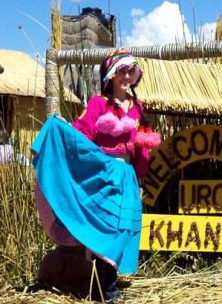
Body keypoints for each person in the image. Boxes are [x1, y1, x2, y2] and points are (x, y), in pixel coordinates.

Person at [32, 49, 160, 302]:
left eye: (130, 71)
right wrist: (62, 129)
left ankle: (100, 289)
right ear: (111, 75)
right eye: (121, 71)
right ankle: (106, 293)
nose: (126, 76)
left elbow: (141, 149)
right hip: (101, 173)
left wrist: (141, 179)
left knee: (120, 229)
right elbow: (81, 135)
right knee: (106, 230)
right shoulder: (98, 103)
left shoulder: (137, 108)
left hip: (125, 176)